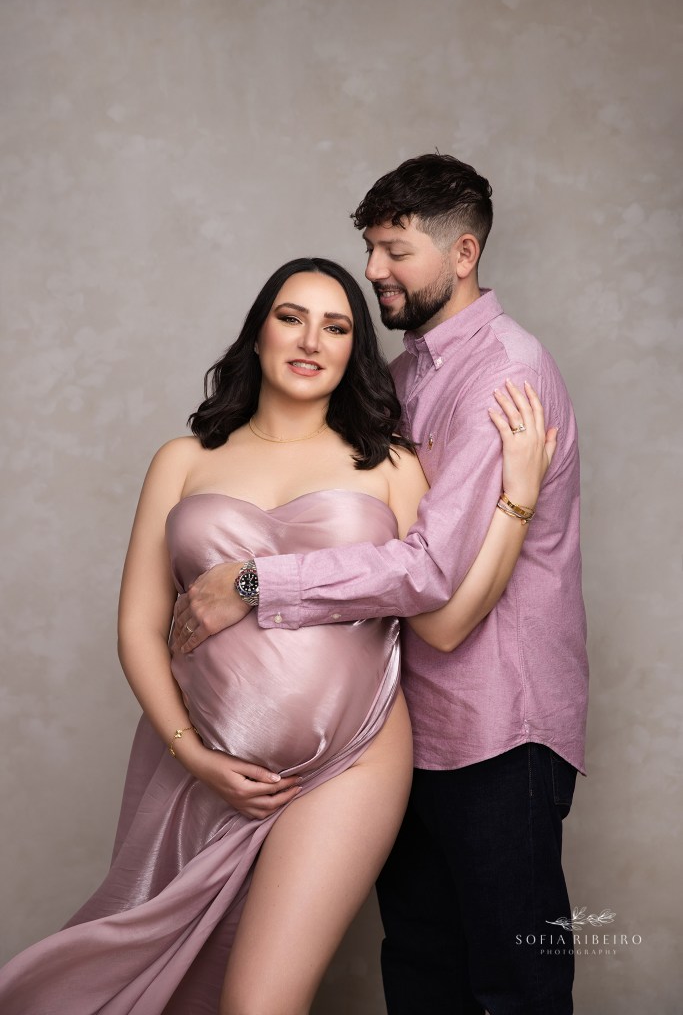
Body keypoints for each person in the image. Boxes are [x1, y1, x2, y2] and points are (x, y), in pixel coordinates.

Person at [0, 256, 554, 1015]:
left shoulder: (391, 465)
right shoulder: (183, 460)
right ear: (258, 331)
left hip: (351, 762)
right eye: (292, 317)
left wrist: (515, 500)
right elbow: (136, 626)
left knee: (258, 1003)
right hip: (200, 767)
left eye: (337, 327)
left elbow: (444, 618)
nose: (310, 340)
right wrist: (192, 755)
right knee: (158, 988)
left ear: (353, 352)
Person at [172, 156, 589, 1015]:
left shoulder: (502, 375)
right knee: (424, 971)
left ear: (463, 253)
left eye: (395, 251)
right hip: (402, 731)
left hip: (496, 726)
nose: (374, 273)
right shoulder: (400, 380)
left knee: (512, 983)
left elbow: (428, 574)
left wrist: (254, 581)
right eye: (369, 248)